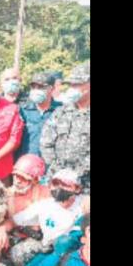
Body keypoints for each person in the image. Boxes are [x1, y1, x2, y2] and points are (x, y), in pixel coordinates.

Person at [4, 168, 89, 266]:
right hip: (50, 251)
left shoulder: (84, 204)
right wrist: (1, 231)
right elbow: (14, 221)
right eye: (55, 183)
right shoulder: (44, 206)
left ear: (77, 189)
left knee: (64, 241)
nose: (59, 188)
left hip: (78, 253)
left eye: (65, 185)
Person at [0, 154, 51, 266]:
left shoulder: (46, 194)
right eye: (16, 175)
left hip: (38, 243)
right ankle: (12, 264)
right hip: (13, 241)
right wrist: (1, 231)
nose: (17, 180)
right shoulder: (6, 194)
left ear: (35, 179)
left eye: (23, 178)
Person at [40, 63, 90, 193]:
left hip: (85, 184)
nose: (73, 88)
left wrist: (76, 174)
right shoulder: (61, 112)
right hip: (57, 180)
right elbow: (46, 142)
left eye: (77, 84)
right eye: (71, 85)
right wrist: (58, 170)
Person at [14, 72, 62, 160]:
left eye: (40, 87)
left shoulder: (61, 111)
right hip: (26, 162)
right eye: (33, 87)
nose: (36, 90)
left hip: (51, 162)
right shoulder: (23, 110)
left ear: (51, 89)